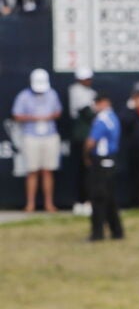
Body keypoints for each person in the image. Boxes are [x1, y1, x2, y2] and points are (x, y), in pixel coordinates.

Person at [12, 68, 62, 212]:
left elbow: (58, 111)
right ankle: (30, 204)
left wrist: (49, 117)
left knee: (48, 171)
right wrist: (34, 118)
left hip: (50, 135)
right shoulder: (23, 96)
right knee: (32, 171)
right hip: (31, 136)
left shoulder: (52, 94)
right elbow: (16, 115)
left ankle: (49, 204)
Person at [84, 94, 124, 241]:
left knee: (98, 197)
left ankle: (97, 233)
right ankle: (117, 231)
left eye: (98, 103)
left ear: (104, 102)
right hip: (111, 160)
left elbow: (91, 141)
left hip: (101, 161)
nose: (96, 106)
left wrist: (86, 156)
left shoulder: (102, 118)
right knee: (110, 197)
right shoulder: (113, 117)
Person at [67, 67, 97, 215]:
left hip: (91, 137)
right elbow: (86, 112)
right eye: (85, 79)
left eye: (89, 78)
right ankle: (79, 201)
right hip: (80, 138)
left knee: (89, 170)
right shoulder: (75, 91)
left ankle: (87, 201)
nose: (88, 81)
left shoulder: (92, 93)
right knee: (80, 170)